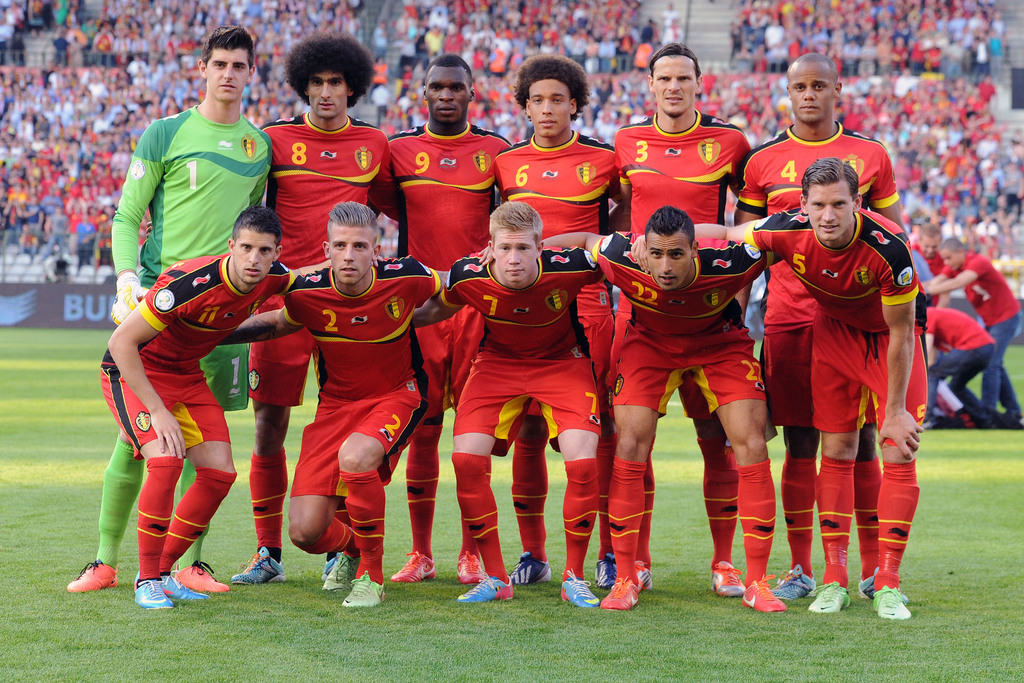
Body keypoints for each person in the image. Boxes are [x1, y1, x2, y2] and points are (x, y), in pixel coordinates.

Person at [68, 26, 272, 595]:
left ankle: (189, 564)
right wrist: (128, 277)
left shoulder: (261, 148)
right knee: (141, 441)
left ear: (251, 72)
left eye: (239, 64)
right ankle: (106, 560)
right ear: (202, 69)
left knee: (204, 449)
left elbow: (256, 235)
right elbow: (127, 214)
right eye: (220, 63)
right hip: (162, 306)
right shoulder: (165, 133)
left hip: (222, 317)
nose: (229, 73)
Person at [700, 157, 926, 620]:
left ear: (857, 203)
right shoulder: (784, 229)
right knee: (837, 450)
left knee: (897, 448)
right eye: (818, 204)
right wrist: (660, 238)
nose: (828, 215)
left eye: (839, 204)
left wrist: (897, 408)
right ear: (803, 205)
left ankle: (887, 582)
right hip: (834, 337)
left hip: (890, 344)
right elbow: (727, 235)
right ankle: (834, 580)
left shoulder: (891, 247)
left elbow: (903, 332)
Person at [734, 52, 906, 601]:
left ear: (838, 90)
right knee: (802, 444)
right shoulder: (763, 161)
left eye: (817, 85)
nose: (807, 95)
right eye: (798, 86)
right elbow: (745, 249)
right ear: (788, 92)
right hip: (788, 318)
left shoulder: (872, 155)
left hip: (861, 323)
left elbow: (892, 231)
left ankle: (875, 567)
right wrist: (738, 320)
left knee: (863, 444)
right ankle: (803, 567)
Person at [556, 206, 784, 612]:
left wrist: (731, 229)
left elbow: (781, 236)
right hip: (650, 346)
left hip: (720, 344)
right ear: (643, 249)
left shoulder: (732, 263)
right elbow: (586, 240)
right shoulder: (623, 256)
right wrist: (520, 249)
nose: (664, 266)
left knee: (751, 443)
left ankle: (755, 582)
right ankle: (626, 577)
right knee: (628, 445)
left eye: (676, 254)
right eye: (657, 253)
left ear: (696, 250)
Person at [233, 31, 396, 588]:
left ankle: (342, 544)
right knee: (268, 427)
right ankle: (266, 551)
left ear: (352, 87)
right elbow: (239, 208)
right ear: (303, 86)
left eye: (336, 82)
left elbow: (405, 209)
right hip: (284, 304)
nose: (326, 92)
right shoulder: (274, 140)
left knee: (354, 419)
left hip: (349, 306)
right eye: (317, 83)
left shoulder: (376, 144)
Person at [224, 202, 441, 607]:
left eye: (360, 245)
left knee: (357, 458)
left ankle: (370, 576)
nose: (349, 255)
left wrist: (409, 317)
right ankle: (355, 547)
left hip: (397, 394)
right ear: (326, 249)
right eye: (340, 245)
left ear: (377, 249)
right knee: (305, 533)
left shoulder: (407, 277)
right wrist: (213, 333)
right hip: (335, 407)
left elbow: (452, 292)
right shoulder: (307, 291)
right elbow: (277, 323)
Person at [100, 207, 292, 609]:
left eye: (263, 250)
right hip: (132, 370)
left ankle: (162, 572)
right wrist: (158, 412)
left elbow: (310, 277)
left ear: (276, 252)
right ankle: (146, 580)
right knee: (167, 460)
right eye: (246, 248)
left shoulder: (274, 278)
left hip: (186, 374)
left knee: (220, 472)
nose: (253, 259)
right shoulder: (187, 283)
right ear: (231, 246)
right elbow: (121, 344)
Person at [613, 42, 751, 596]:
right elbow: (619, 220)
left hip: (709, 310)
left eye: (683, 79)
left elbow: (748, 225)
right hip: (644, 314)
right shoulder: (625, 141)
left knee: (715, 437)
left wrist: (731, 290)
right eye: (663, 78)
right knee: (632, 436)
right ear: (649, 84)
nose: (673, 87)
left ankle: (723, 563)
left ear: (699, 84)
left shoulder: (730, 142)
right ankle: (637, 562)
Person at [415, 202, 603, 607]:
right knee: (465, 460)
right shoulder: (469, 274)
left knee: (583, 460)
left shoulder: (572, 267)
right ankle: (497, 578)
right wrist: (378, 316)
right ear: (491, 248)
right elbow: (434, 309)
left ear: (540, 247)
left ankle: (574, 575)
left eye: (523, 248)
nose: (514, 259)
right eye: (505, 249)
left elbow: (616, 255)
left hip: (562, 363)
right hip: (497, 364)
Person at [492, 54, 620, 589]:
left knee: (605, 429)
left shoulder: (605, 161)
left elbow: (621, 224)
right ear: (524, 106)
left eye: (557, 99)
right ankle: (534, 553)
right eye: (537, 99)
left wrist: (592, 256)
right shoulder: (505, 163)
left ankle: (613, 551)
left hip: (588, 309)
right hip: (524, 314)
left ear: (575, 104)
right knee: (527, 425)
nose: (547, 109)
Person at [385, 53, 509, 585]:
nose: (446, 95)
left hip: (477, 307)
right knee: (425, 431)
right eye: (437, 86)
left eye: (456, 87)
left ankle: (470, 552)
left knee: (471, 436)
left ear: (472, 92)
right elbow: (387, 211)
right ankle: (420, 553)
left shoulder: (497, 152)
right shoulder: (398, 151)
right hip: (422, 308)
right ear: (424, 92)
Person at [925, 239, 1023, 427]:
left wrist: (925, 291)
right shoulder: (955, 266)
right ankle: (1013, 410)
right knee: (997, 365)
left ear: (961, 252)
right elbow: (937, 280)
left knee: (992, 364)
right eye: (943, 259)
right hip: (989, 321)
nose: (946, 263)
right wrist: (917, 287)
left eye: (948, 258)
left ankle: (989, 412)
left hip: (1006, 316)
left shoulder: (978, 262)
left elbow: (958, 283)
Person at [924, 306, 996, 428]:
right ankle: (984, 420)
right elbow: (931, 359)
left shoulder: (927, 315)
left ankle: (927, 419)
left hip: (974, 346)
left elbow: (926, 348)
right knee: (956, 386)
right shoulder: (932, 317)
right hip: (986, 348)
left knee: (933, 374)